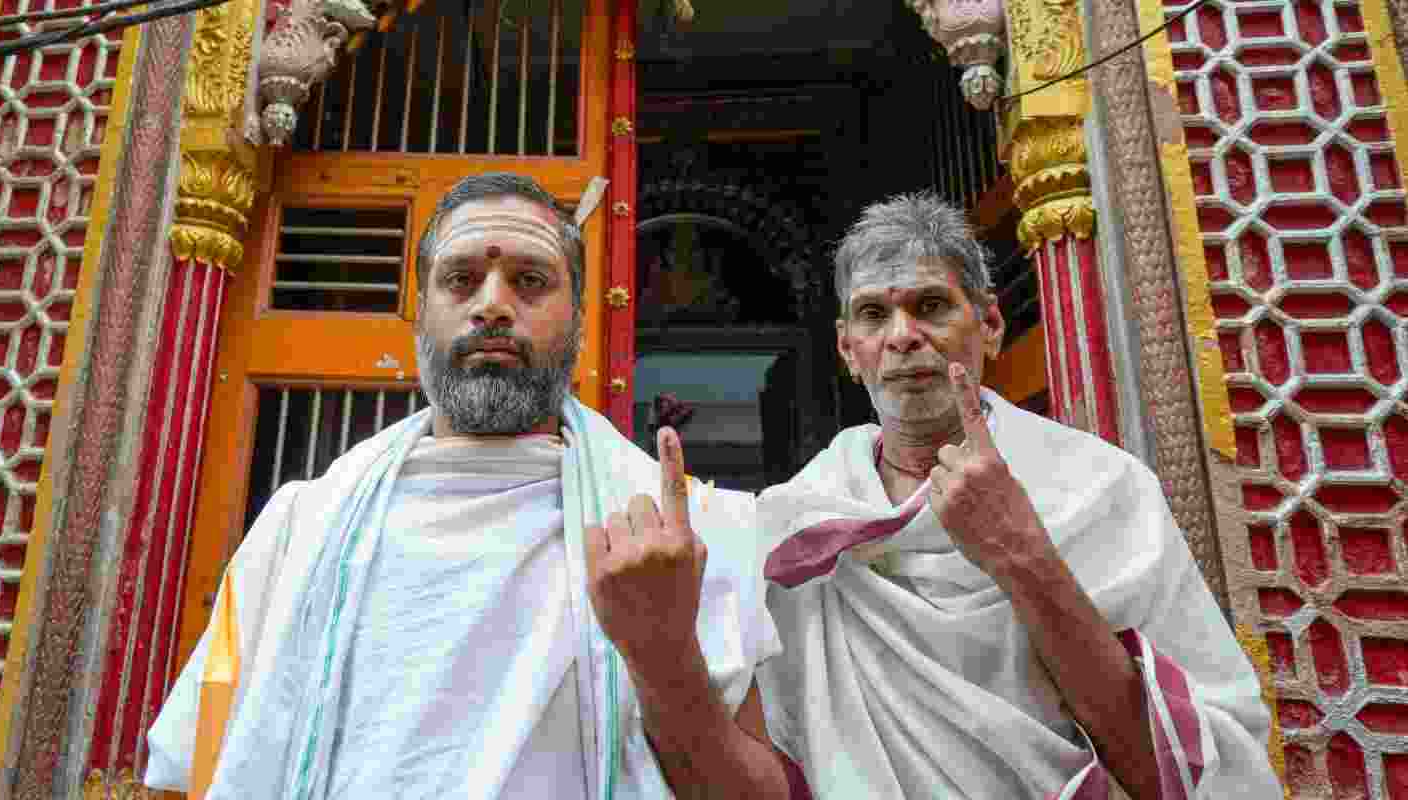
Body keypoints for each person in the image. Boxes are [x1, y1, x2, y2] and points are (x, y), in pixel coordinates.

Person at [144, 173, 792, 800]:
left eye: (530, 281)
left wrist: (663, 654)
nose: (492, 305)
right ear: (420, 314)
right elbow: (195, 773)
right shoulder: (299, 528)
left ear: (580, 320)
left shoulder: (680, 534)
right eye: (460, 280)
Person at [755, 192, 1282, 799]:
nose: (902, 337)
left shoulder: (1098, 488)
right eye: (874, 315)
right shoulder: (799, 525)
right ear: (849, 350)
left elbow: (1185, 765)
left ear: (991, 325)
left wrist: (1021, 554)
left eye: (931, 306)